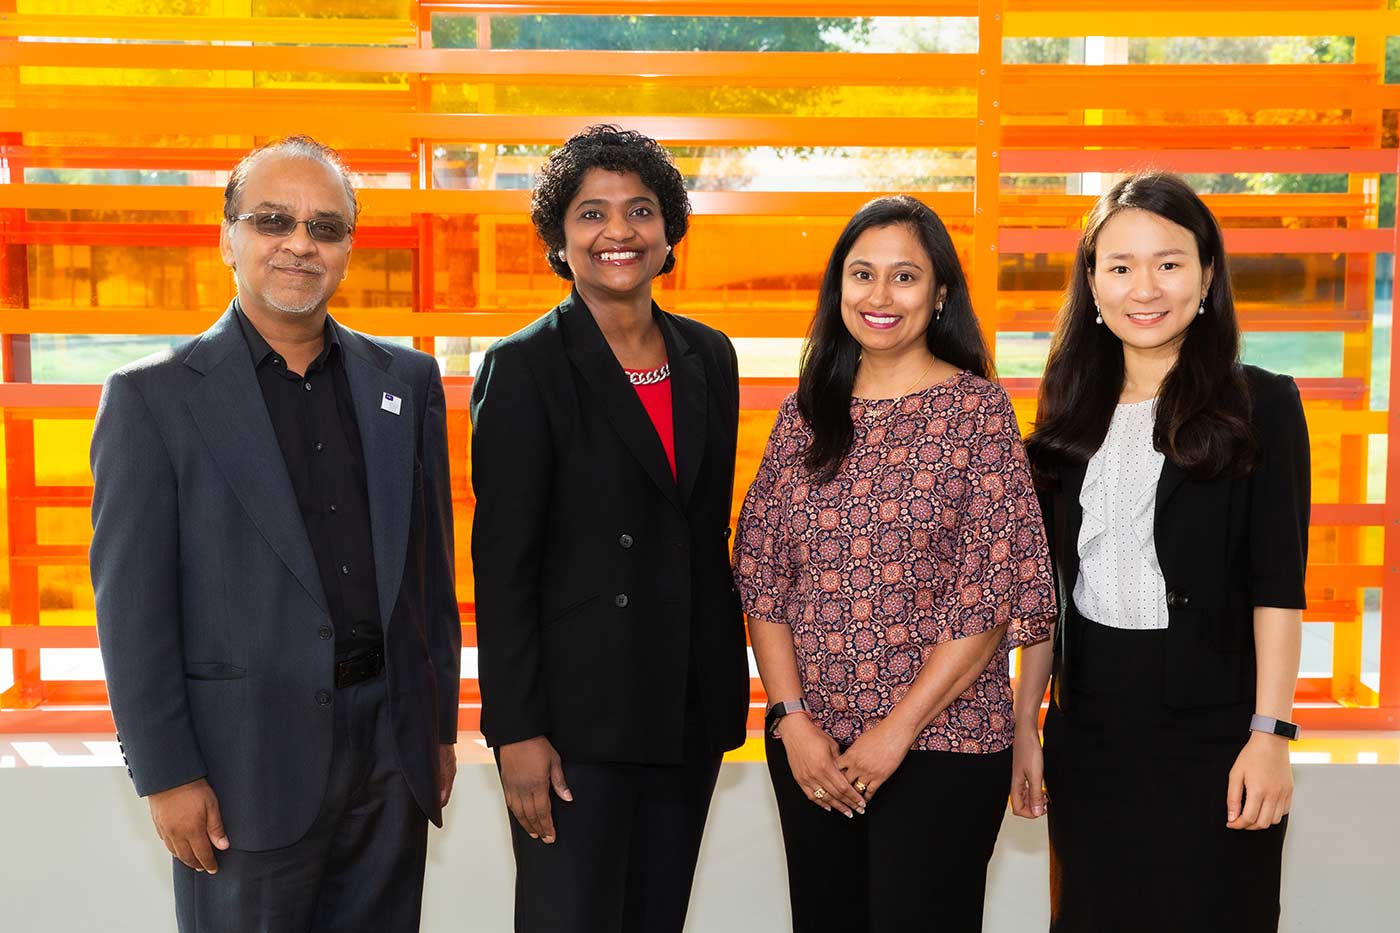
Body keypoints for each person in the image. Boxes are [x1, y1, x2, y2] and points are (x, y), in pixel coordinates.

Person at [89, 135, 462, 932]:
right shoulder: (152, 400)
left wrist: (433, 732)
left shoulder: (408, 383)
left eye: (325, 227)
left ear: (349, 249)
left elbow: (429, 577)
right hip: (241, 770)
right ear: (228, 235)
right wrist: (166, 775)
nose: (300, 243)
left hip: (390, 757)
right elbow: (132, 615)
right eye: (273, 220)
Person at [732, 195, 1057, 933]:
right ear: (837, 288)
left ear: (940, 293)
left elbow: (990, 595)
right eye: (862, 274)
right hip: (814, 753)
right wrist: (790, 721)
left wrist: (895, 731)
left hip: (944, 743)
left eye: (904, 277)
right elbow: (763, 578)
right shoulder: (804, 416)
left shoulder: (977, 412)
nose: (880, 296)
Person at [470, 125, 749, 933]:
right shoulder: (524, 367)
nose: (618, 232)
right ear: (561, 238)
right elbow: (504, 565)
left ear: (670, 232)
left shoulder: (710, 356)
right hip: (574, 723)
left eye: (640, 211)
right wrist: (516, 728)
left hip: (686, 706)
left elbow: (700, 532)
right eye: (591, 214)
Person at [1015, 171, 1309, 932]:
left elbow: (1278, 584)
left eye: (1169, 262)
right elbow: (1045, 590)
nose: (1145, 287)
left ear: (1207, 275)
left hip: (1216, 732)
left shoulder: (1263, 404)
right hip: (1092, 728)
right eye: (1120, 266)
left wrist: (1270, 734)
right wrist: (1026, 720)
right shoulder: (1067, 409)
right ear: (1093, 282)